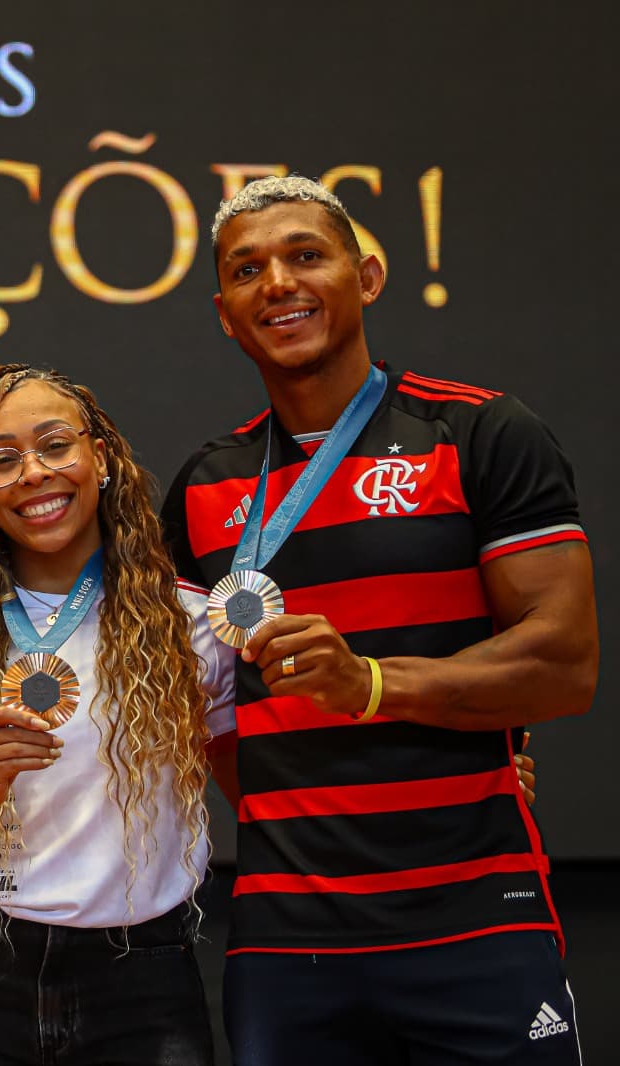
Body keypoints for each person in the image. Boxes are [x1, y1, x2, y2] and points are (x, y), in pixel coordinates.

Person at [161, 175, 597, 1065]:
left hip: (479, 919)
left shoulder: (480, 435)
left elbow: (564, 663)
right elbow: (195, 699)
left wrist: (369, 683)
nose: (277, 282)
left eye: (305, 256)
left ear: (366, 277)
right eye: (248, 270)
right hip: (288, 941)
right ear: (224, 313)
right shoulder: (204, 488)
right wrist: (309, 813)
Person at [0, 364, 235, 1066]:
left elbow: (266, 802)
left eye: (54, 445)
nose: (33, 473)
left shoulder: (190, 625)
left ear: (100, 455)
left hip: (142, 977)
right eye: (1, 460)